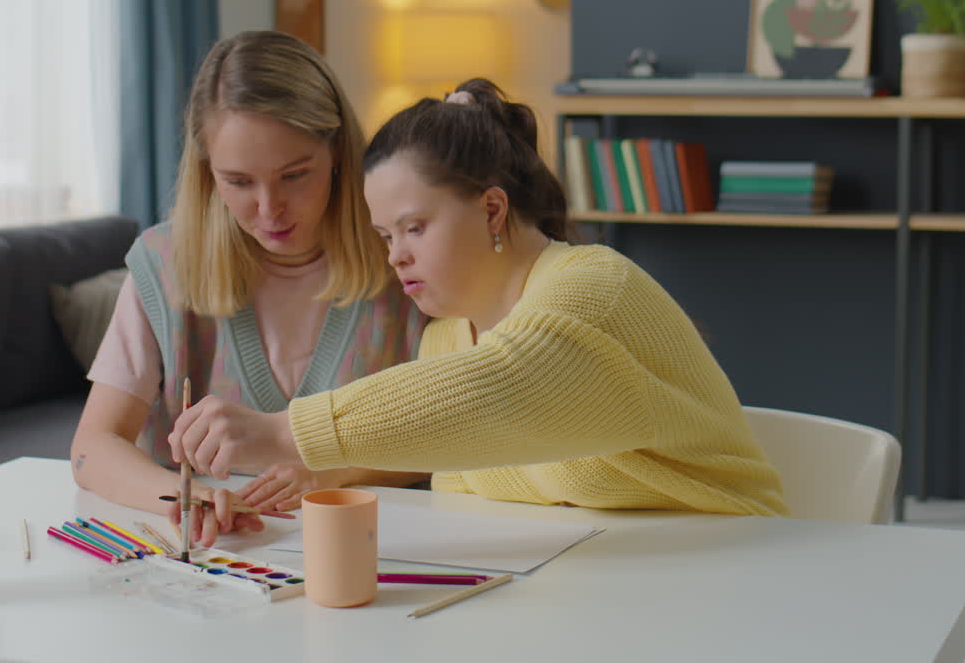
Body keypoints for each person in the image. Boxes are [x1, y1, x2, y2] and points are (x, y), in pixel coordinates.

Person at [168, 78, 787, 517]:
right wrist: (311, 479)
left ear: (493, 208)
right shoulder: (444, 338)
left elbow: (503, 388)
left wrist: (285, 432)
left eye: (414, 228)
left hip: (734, 572)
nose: (395, 255)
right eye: (385, 235)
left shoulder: (594, 289)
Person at [71, 31, 429, 545]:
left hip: (382, 549)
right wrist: (179, 496)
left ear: (336, 153)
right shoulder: (164, 263)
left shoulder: (404, 260)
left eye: (295, 175)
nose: (268, 208)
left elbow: (457, 439)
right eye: (238, 182)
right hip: (214, 565)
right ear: (207, 174)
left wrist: (334, 474)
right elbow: (92, 448)